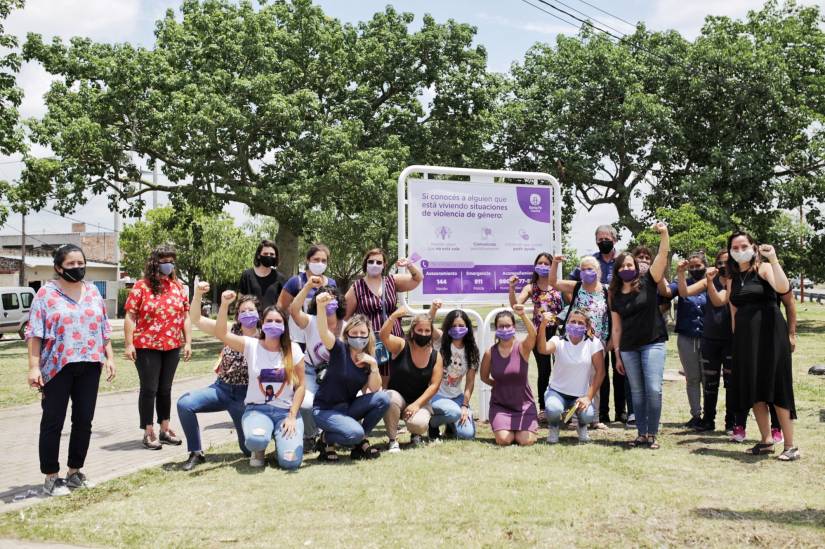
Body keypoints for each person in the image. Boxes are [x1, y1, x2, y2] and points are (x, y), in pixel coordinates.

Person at [25, 245, 116, 496]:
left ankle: (75, 472)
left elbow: (103, 329)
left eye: (80, 263)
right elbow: (34, 333)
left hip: (90, 364)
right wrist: (34, 368)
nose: (77, 268)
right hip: (57, 367)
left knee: (84, 420)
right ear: (58, 268)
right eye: (71, 264)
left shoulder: (94, 292)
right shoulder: (45, 294)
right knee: (53, 421)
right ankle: (51, 477)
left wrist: (110, 357)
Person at [725, 232, 798, 460]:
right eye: (735, 247)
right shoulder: (732, 277)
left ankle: (790, 446)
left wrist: (774, 259)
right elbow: (734, 311)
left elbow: (783, 287)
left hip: (771, 337)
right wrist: (737, 341)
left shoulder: (764, 268)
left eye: (744, 245)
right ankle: (766, 441)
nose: (739, 250)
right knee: (753, 388)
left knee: (777, 388)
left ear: (753, 247)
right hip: (746, 342)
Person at [214, 291, 306, 469]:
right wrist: (224, 304)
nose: (273, 324)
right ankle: (259, 449)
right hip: (257, 410)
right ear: (262, 324)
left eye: (278, 321)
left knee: (291, 462)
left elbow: (301, 386)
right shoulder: (251, 345)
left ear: (285, 326)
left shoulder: (293, 349)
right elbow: (221, 333)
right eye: (269, 321)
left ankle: (281, 447)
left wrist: (292, 417)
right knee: (256, 440)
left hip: (285, 412)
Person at [176, 281, 258, 471]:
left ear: (259, 313)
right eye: (243, 311)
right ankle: (196, 452)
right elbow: (196, 318)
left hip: (245, 396)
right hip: (221, 389)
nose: (247, 314)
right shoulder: (229, 330)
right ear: (237, 315)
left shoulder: (265, 336)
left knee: (248, 449)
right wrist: (198, 295)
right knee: (185, 404)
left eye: (251, 310)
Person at [124, 244, 192, 450]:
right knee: (149, 389)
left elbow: (185, 316)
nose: (168, 265)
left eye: (171, 261)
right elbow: (130, 315)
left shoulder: (178, 287)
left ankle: (165, 428)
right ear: (154, 263)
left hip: (172, 345)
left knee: (165, 389)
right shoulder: (141, 287)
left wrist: (187, 341)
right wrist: (128, 344)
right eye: (163, 261)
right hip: (147, 345)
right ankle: (148, 431)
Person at [610, 223, 670, 449]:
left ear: (636, 266)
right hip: (628, 348)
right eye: (622, 265)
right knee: (637, 392)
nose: (627, 267)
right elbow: (616, 328)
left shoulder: (649, 282)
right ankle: (641, 434)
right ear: (617, 270)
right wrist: (617, 355)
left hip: (653, 343)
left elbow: (663, 255)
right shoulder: (614, 294)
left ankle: (652, 434)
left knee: (653, 388)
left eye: (630, 264)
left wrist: (664, 234)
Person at [312, 291, 390, 461]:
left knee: (383, 398)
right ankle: (328, 439)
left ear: (368, 335)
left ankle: (359, 440)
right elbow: (323, 331)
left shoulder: (368, 358)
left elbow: (375, 389)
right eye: (354, 333)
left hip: (347, 407)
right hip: (325, 410)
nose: (359, 337)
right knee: (354, 433)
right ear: (347, 335)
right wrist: (320, 306)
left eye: (363, 334)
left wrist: (374, 365)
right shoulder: (339, 349)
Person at [549, 254, 612, 429]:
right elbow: (553, 281)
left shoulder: (606, 290)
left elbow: (612, 314)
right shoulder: (576, 286)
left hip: (598, 342)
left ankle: (595, 418)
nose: (586, 272)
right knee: (579, 378)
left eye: (590, 269)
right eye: (583, 269)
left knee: (597, 378)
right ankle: (576, 418)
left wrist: (611, 339)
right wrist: (555, 263)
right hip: (577, 340)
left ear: (598, 271)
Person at [345, 248, 423, 387]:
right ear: (365, 263)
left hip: (394, 336)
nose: (375, 264)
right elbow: (345, 316)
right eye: (371, 261)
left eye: (378, 262)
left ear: (384, 265)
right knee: (372, 377)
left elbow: (417, 279)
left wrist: (409, 265)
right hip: (370, 340)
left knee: (396, 376)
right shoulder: (357, 287)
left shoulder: (392, 281)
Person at [680, 251, 739, 434]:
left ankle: (731, 422)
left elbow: (723, 301)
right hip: (710, 339)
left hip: (731, 340)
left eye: (727, 262)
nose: (723, 266)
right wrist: (681, 273)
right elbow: (684, 292)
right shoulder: (708, 280)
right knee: (710, 384)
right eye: (719, 262)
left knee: (731, 384)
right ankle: (708, 420)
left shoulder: (738, 281)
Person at [287, 277, 346, 450]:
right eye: (323, 298)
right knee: (305, 404)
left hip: (337, 374)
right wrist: (307, 286)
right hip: (311, 371)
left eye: (332, 298)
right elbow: (294, 310)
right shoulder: (310, 321)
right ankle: (311, 435)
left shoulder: (346, 326)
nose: (328, 301)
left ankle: (338, 434)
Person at [508, 252, 564, 425]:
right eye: (540, 263)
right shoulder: (531, 287)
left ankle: (564, 406)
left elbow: (571, 304)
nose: (543, 266)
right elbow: (515, 304)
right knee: (544, 370)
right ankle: (543, 408)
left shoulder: (558, 285)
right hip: (539, 334)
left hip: (559, 333)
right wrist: (512, 288)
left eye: (547, 263)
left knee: (562, 369)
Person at [380, 306, 443, 453]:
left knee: (419, 424)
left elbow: (434, 385)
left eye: (427, 331)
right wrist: (393, 317)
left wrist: (416, 405)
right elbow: (384, 336)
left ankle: (416, 434)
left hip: (420, 401)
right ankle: (392, 440)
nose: (423, 333)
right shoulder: (401, 345)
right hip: (397, 398)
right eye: (419, 330)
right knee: (389, 398)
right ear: (413, 331)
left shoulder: (436, 356)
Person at [537, 309, 605, 443]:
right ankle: (554, 427)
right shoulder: (558, 340)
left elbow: (601, 371)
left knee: (588, 415)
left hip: (580, 396)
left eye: (580, 323)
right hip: (557, 392)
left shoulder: (593, 343)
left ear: (586, 326)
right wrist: (543, 325)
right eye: (573, 321)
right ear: (567, 323)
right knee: (553, 409)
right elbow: (542, 349)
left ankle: (582, 426)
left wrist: (588, 397)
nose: (576, 325)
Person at [480, 304, 539, 446]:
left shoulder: (522, 348)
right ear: (496, 328)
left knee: (526, 441)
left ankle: (523, 430)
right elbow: (483, 377)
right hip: (500, 406)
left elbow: (533, 335)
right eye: (501, 326)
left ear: (514, 327)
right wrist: (498, 384)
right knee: (504, 440)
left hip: (524, 406)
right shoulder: (490, 353)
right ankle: (505, 427)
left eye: (508, 326)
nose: (505, 329)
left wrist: (523, 315)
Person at [427, 307, 480, 441]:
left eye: (461, 326)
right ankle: (433, 424)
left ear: (467, 326)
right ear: (447, 327)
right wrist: (433, 309)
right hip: (436, 396)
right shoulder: (441, 340)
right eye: (453, 325)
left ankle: (451, 425)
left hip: (457, 397)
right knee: (453, 412)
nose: (457, 328)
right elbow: (427, 325)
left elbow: (470, 383)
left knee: (467, 435)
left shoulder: (471, 350)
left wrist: (465, 406)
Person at [670, 253, 709, 429]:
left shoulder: (712, 283)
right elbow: (666, 291)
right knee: (692, 378)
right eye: (691, 267)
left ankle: (710, 415)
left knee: (709, 378)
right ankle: (695, 414)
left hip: (709, 338)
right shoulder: (681, 283)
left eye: (698, 266)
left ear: (705, 266)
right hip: (687, 337)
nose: (695, 269)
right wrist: (679, 272)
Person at [277, 244, 337, 352]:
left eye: (324, 261)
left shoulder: (331, 283)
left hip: (321, 338)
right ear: (308, 260)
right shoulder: (296, 281)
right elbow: (280, 306)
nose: (320, 263)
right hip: (298, 339)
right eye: (316, 259)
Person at [238, 239, 287, 309]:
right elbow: (240, 300)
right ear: (258, 255)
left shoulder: (280, 278)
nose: (269, 256)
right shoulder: (247, 275)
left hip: (271, 319)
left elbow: (284, 303)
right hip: (251, 318)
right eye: (265, 254)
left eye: (272, 254)